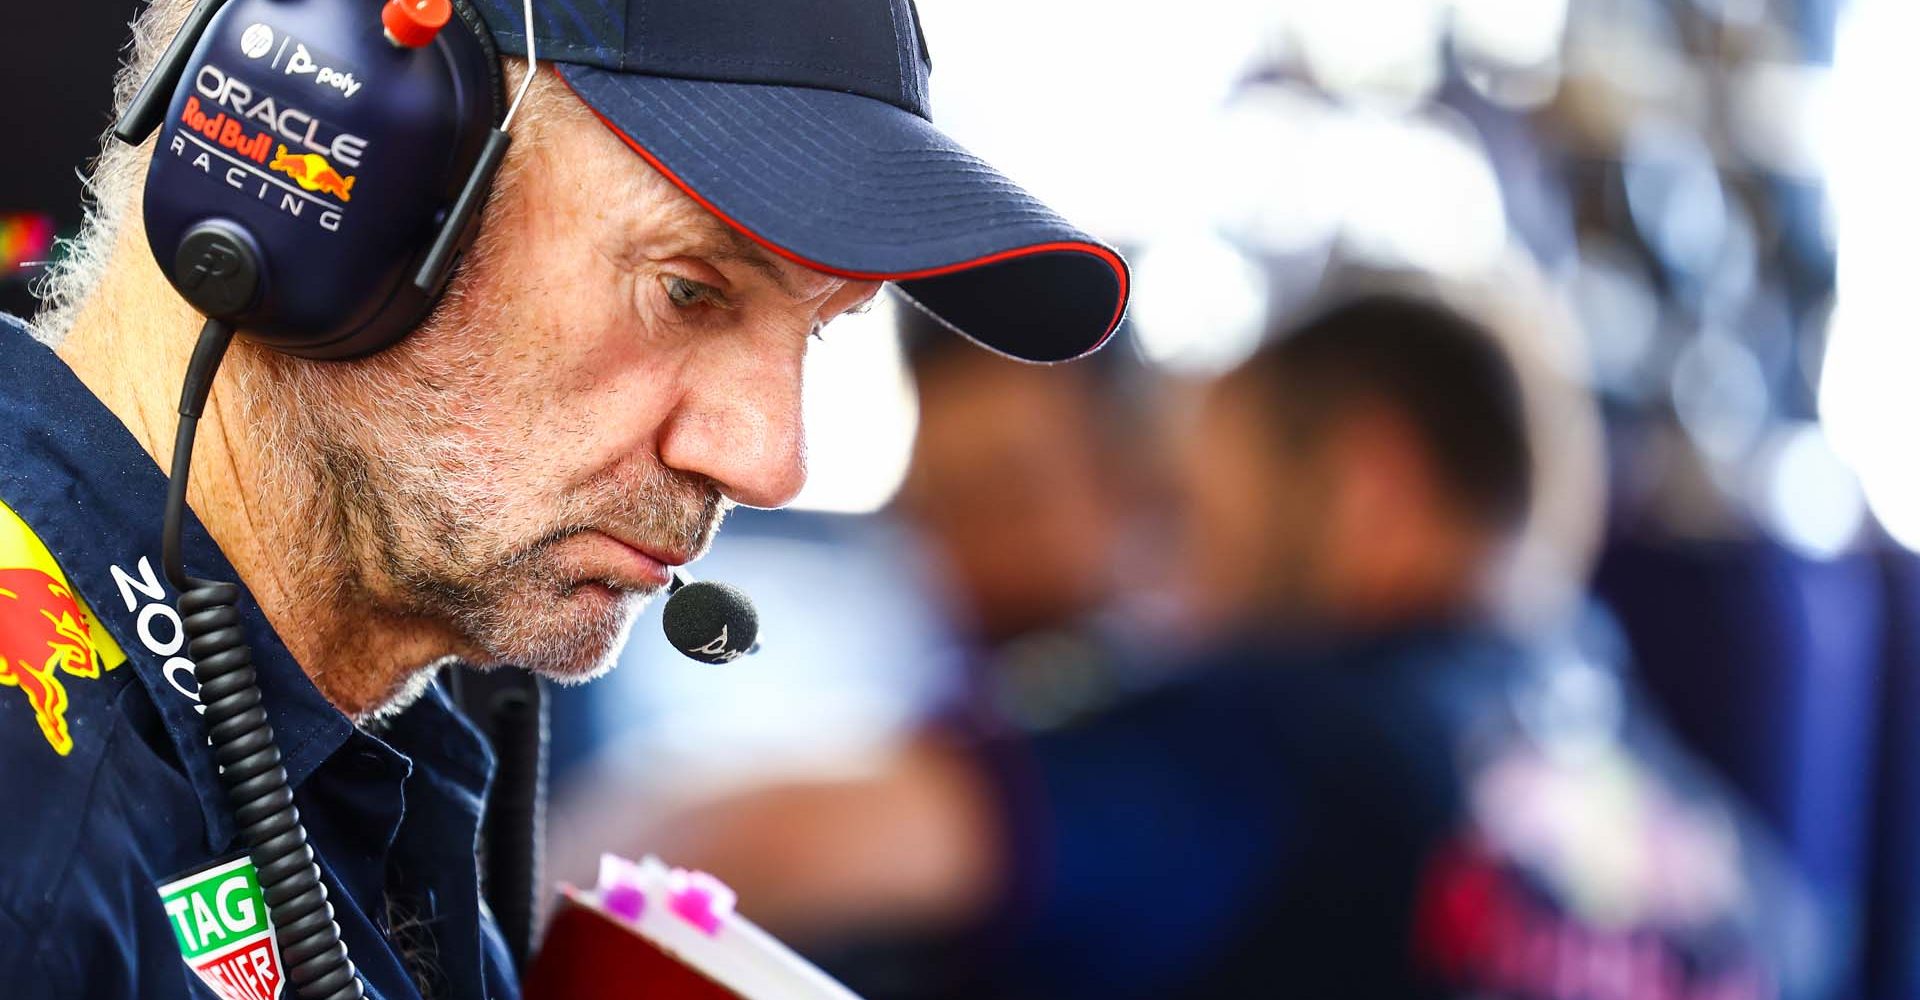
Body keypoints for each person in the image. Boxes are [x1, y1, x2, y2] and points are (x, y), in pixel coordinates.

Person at [0, 1, 1126, 996]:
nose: (772, 460)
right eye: (690, 289)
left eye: (818, 334)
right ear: (328, 155)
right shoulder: (36, 842)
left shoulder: (363, 766)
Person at [642, 288, 1817, 1000]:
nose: (1184, 582)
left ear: (1370, 489)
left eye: (1204, 515)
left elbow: (768, 839)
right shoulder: (1750, 902)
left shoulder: (1294, 733)